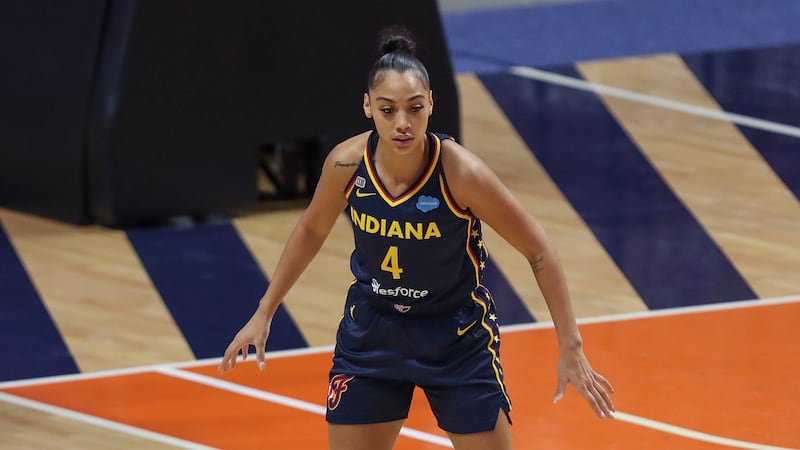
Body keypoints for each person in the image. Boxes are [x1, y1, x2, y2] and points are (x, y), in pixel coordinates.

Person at [218, 26, 615, 450]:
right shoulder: (346, 165)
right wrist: (264, 311)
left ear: (431, 106)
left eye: (415, 108)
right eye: (388, 110)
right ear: (367, 106)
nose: (403, 123)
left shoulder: (462, 173)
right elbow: (312, 229)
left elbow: (539, 250)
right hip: (373, 330)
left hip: (455, 334)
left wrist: (570, 344)